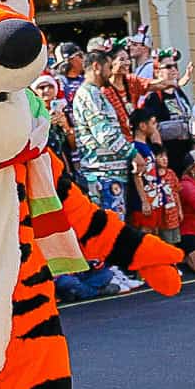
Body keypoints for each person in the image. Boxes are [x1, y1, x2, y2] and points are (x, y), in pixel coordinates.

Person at [69, 47, 134, 211]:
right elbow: (104, 133)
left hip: (108, 174)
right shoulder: (88, 94)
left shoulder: (95, 93)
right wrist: (133, 154)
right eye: (109, 67)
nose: (111, 73)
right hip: (102, 175)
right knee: (111, 224)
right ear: (97, 67)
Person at [128, 109, 181, 243]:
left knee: (153, 233)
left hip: (155, 199)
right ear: (142, 125)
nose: (155, 127)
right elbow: (137, 175)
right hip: (145, 200)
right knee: (144, 235)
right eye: (152, 123)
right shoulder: (136, 148)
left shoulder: (147, 147)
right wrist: (144, 201)